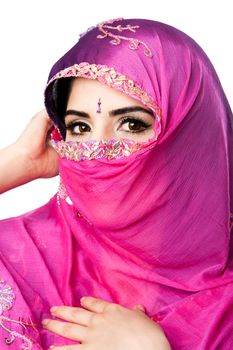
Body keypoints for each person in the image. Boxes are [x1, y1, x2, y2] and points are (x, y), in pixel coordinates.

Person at [0, 17, 233, 350]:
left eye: (131, 124)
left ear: (188, 137)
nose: (98, 151)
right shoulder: (17, 255)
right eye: (80, 128)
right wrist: (16, 163)